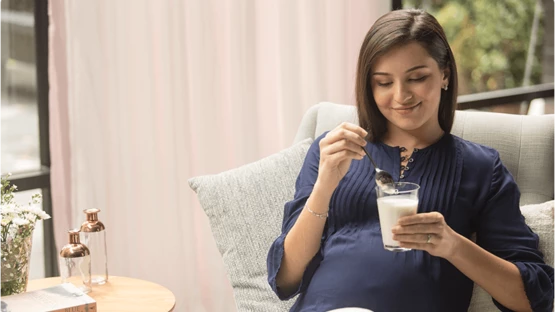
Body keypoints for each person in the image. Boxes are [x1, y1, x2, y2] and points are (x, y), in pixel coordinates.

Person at [266, 9, 555, 312]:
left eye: (416, 78)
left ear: (444, 74)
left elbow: (532, 298)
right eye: (383, 82)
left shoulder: (481, 167)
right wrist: (324, 186)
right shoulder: (332, 151)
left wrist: (453, 246)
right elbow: (286, 279)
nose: (401, 95)